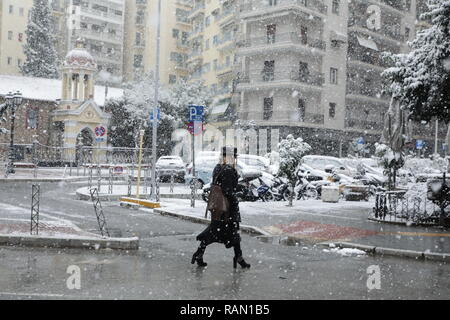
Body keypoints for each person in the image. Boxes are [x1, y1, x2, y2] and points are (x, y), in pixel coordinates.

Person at [191, 146, 251, 269]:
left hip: (218, 208)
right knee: (226, 232)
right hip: (227, 210)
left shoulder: (218, 167)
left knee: (221, 232)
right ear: (230, 157)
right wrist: (237, 195)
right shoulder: (228, 170)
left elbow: (219, 186)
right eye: (234, 157)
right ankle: (237, 258)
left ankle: (200, 254)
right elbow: (228, 191)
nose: (235, 159)